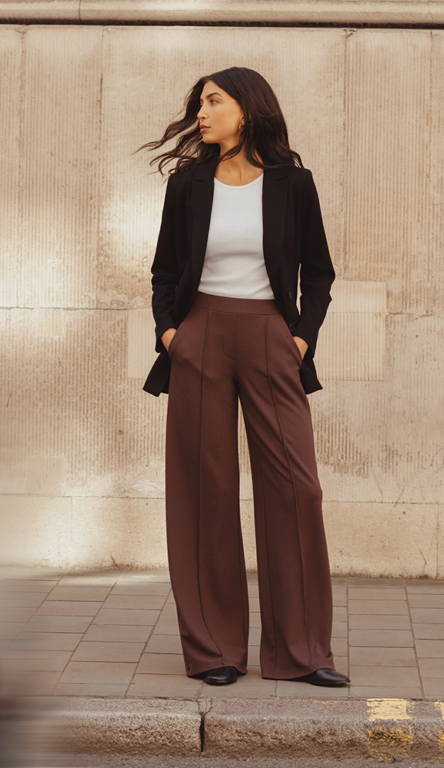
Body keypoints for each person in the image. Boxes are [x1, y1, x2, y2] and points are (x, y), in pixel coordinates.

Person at [140, 67, 348, 688]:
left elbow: (320, 271)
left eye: (213, 101)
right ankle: (215, 650)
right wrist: (173, 335)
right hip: (200, 334)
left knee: (296, 487)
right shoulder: (187, 185)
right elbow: (162, 272)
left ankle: (302, 650)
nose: (201, 113)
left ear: (247, 109)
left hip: (269, 335)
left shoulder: (293, 184)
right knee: (205, 490)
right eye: (199, 104)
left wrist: (302, 336)